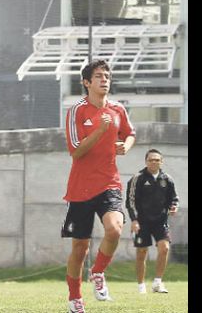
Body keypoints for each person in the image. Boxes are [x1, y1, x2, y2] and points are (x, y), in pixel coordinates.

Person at [61, 60, 136, 313]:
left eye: (107, 76)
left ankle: (98, 272)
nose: (105, 80)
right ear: (86, 82)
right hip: (80, 189)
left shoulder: (118, 109)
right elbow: (76, 151)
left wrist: (125, 146)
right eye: (98, 76)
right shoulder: (76, 111)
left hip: (109, 183)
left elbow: (130, 133)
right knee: (80, 248)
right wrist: (100, 130)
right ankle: (75, 298)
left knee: (114, 230)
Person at [125, 148, 179, 294]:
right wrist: (134, 220)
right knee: (142, 252)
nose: (154, 162)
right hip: (142, 222)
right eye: (151, 159)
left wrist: (174, 207)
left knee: (164, 248)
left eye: (157, 159)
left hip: (161, 221)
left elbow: (173, 199)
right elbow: (130, 202)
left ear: (162, 161)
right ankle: (141, 286)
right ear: (146, 161)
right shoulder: (137, 178)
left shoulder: (167, 179)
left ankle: (157, 283)